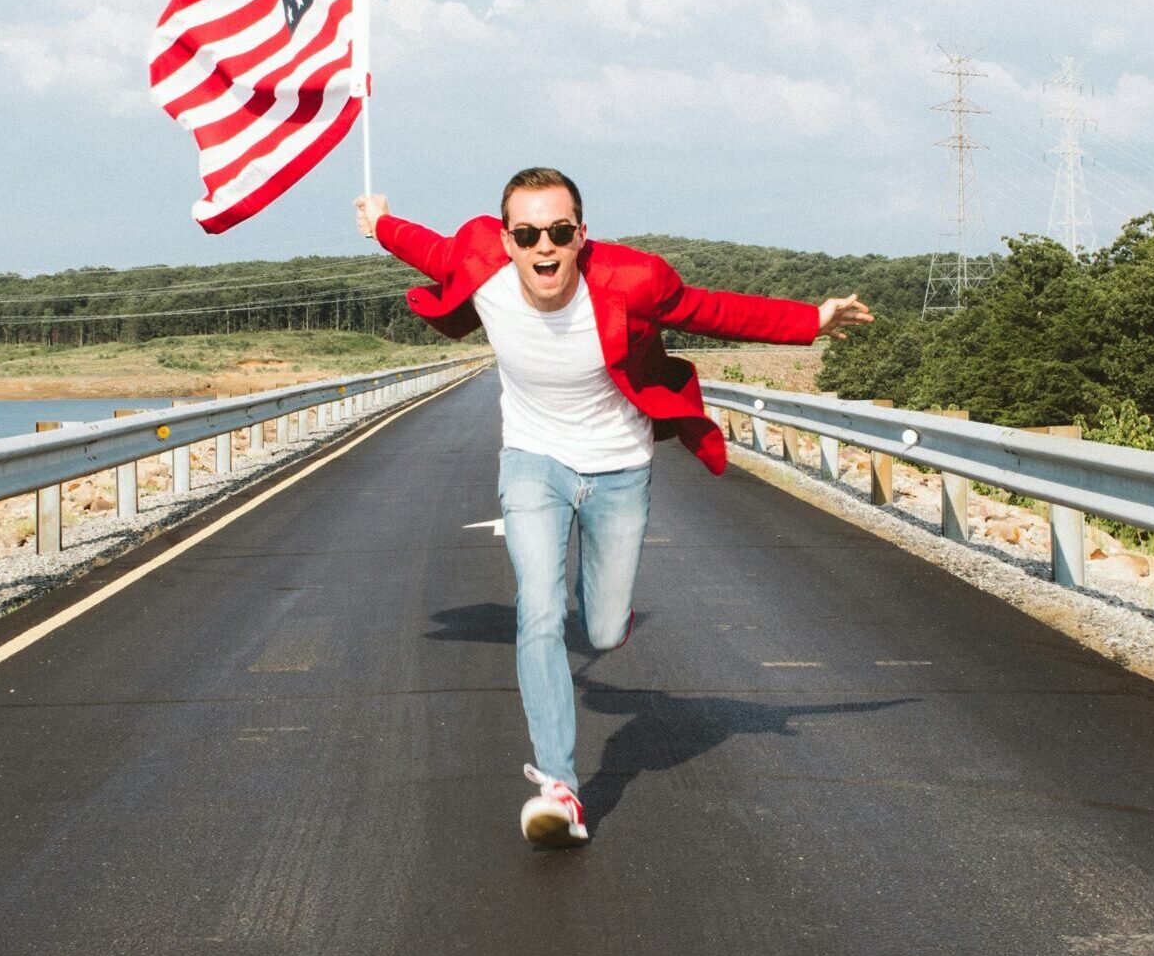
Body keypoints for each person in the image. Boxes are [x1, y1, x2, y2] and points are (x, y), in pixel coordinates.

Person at [354, 168, 872, 847]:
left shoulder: (633, 280)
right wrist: (380, 222)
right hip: (532, 461)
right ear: (506, 241)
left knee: (599, 632)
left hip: (620, 466)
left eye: (558, 232)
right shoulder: (481, 266)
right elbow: (424, 246)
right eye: (527, 235)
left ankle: (605, 612)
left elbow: (712, 310)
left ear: (581, 234)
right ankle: (559, 787)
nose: (544, 246)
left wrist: (812, 319)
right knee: (539, 610)